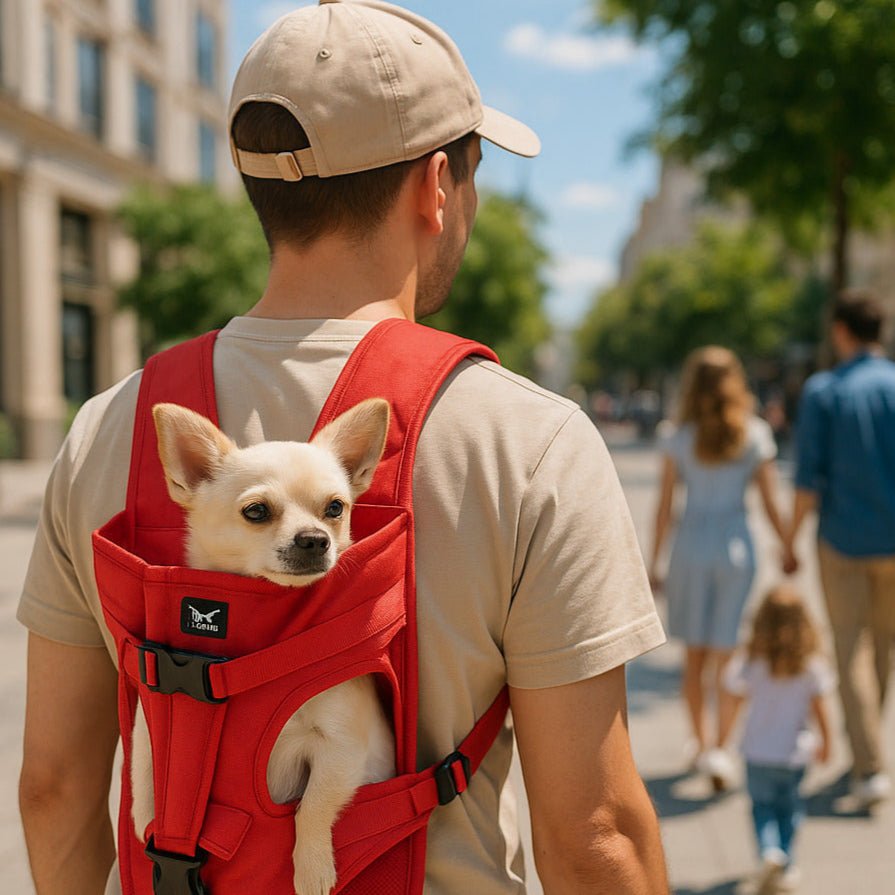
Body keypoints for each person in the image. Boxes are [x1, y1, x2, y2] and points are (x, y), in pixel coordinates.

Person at [16, 3, 669, 893]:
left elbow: (53, 788)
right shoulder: (532, 440)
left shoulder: (109, 426)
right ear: (436, 186)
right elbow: (594, 834)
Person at [649, 346, 792, 788]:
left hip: (691, 546)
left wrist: (654, 560)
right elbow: (770, 501)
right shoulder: (753, 433)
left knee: (693, 656)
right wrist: (788, 546)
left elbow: (666, 506)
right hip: (736, 546)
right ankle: (722, 748)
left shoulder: (678, 435)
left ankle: (701, 741)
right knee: (728, 656)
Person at [789, 289, 895, 808]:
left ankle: (871, 764)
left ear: (841, 332)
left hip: (842, 539)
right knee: (884, 646)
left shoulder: (824, 391)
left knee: (850, 649)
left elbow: (808, 478)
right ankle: (866, 753)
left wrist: (788, 539)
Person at [723, 586, 834, 893]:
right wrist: (828, 742)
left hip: (757, 752)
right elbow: (821, 710)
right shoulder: (812, 666)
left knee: (762, 807)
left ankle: (768, 852)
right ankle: (786, 859)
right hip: (794, 754)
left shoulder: (751, 662)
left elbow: (732, 696)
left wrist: (723, 739)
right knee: (791, 808)